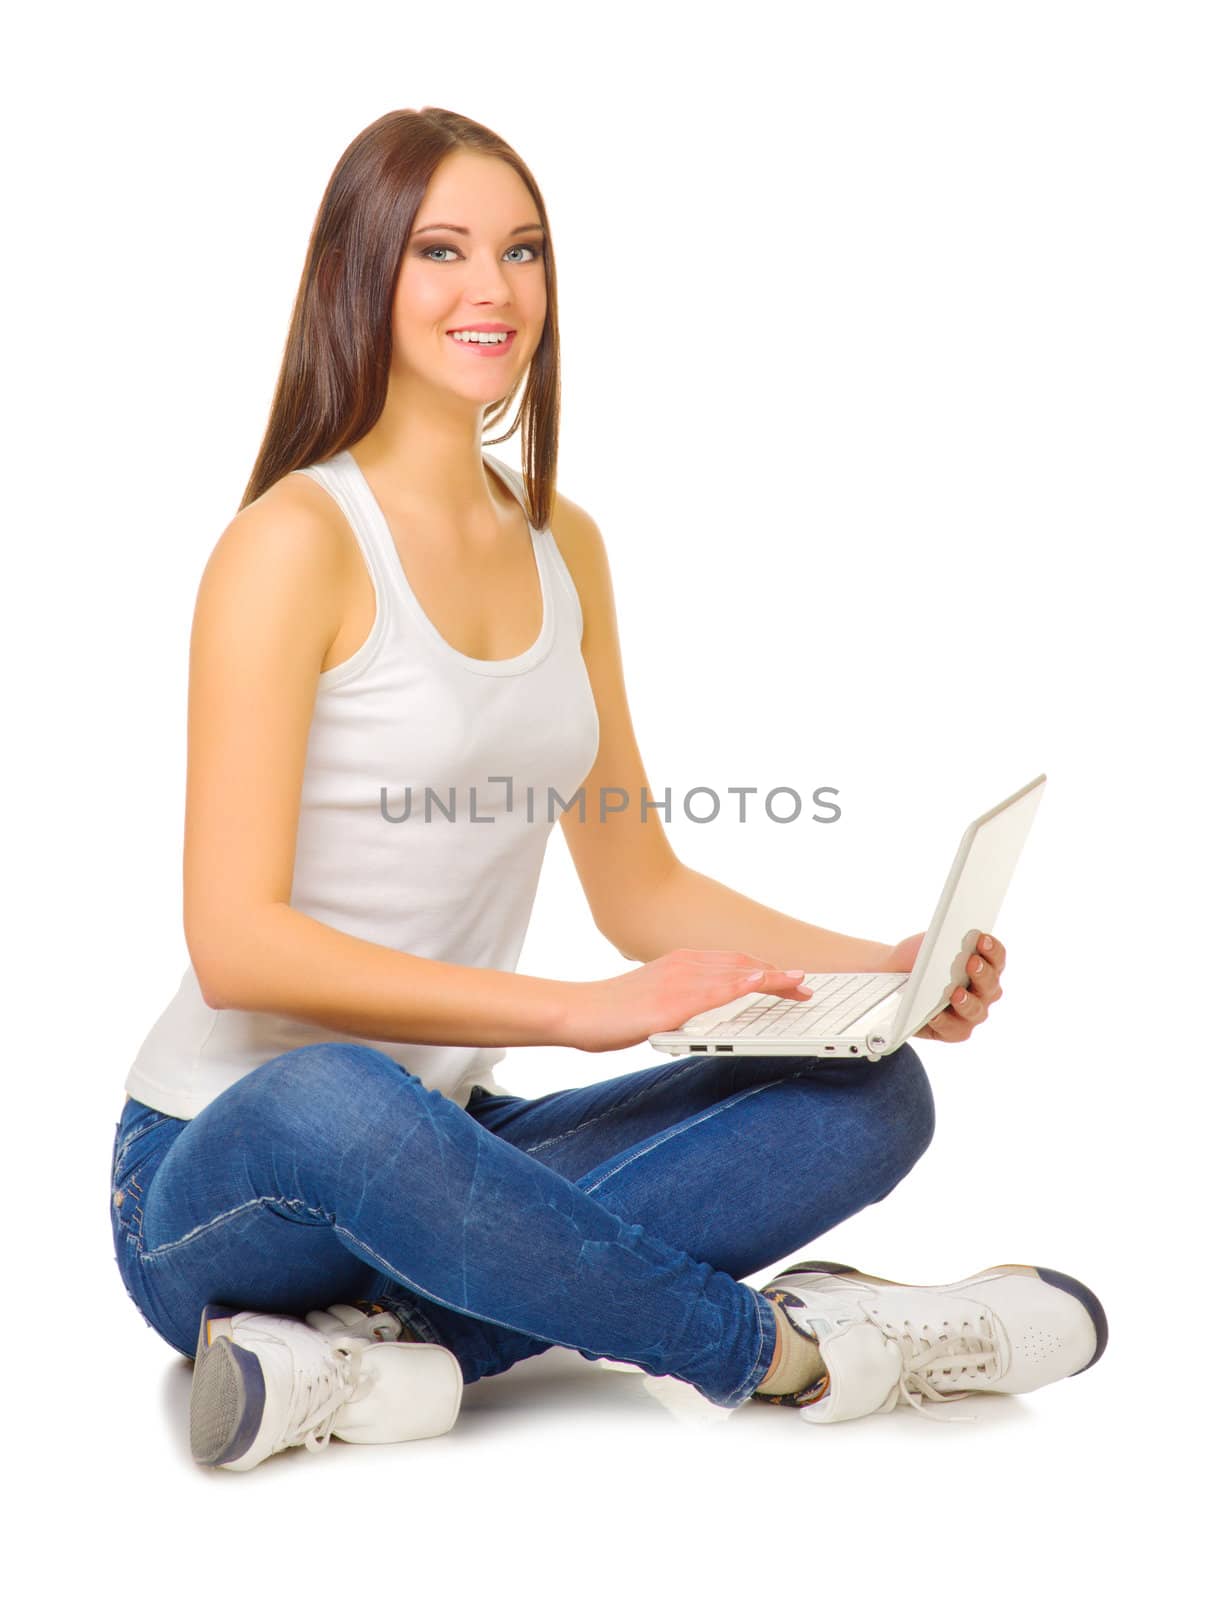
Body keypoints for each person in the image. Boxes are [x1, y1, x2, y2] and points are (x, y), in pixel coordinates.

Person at [109, 107, 1107, 1474]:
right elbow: (236, 947)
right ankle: (793, 1354)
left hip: (448, 1148)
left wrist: (878, 974)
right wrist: (572, 1016)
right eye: (441, 250)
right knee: (338, 1097)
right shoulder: (288, 542)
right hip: (218, 1180)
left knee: (874, 1098)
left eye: (522, 251)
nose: (493, 290)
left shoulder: (561, 542)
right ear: (360, 274)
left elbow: (638, 885)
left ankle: (353, 1365)